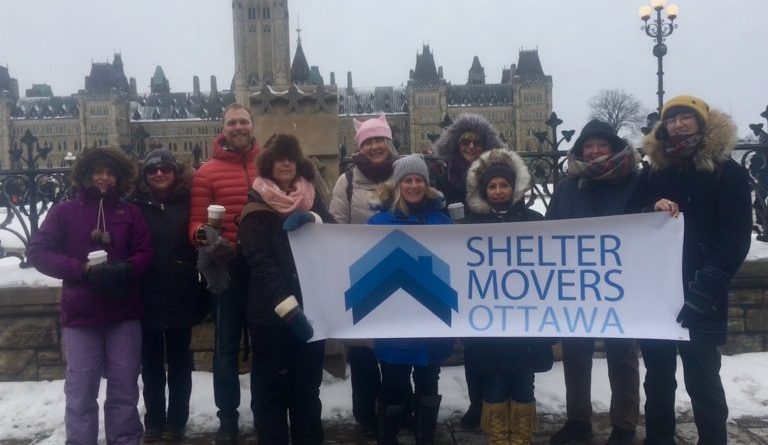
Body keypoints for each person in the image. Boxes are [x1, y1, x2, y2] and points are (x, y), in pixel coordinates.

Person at [634, 95, 752, 444]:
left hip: (702, 290)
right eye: (672, 119)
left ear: (702, 123)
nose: (678, 124)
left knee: (702, 379)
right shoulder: (654, 172)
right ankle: (659, 438)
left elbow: (735, 238)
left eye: (686, 117)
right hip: (659, 293)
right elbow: (630, 218)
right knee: (657, 378)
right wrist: (648, 208)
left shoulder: (726, 172)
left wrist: (707, 287)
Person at [28, 146, 153, 445]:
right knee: (81, 390)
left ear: (119, 178)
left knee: (124, 389)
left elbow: (146, 252)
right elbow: (38, 252)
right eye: (98, 171)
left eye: (110, 173)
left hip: (123, 314)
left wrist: (125, 270)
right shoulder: (65, 212)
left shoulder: (130, 213)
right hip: (81, 315)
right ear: (85, 175)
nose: (104, 178)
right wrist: (81, 269)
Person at [546, 120, 643, 445]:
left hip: (621, 282)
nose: (595, 150)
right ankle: (578, 420)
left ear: (613, 148)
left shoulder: (636, 182)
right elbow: (551, 233)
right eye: (589, 145)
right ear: (580, 150)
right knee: (575, 354)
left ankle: (625, 424)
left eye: (602, 144)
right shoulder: (567, 188)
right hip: (577, 283)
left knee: (622, 354)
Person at [238, 134, 333, 445]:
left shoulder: (311, 197)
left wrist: (314, 218)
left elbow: (335, 233)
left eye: (291, 158)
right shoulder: (256, 205)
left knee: (307, 390)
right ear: (269, 164)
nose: (286, 164)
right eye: (279, 158)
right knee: (272, 393)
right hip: (271, 315)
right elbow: (258, 260)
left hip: (311, 308)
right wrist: (288, 308)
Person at [464, 148, 553, 445]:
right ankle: (499, 438)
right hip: (489, 325)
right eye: (493, 186)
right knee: (495, 381)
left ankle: (522, 437)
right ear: (484, 190)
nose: (499, 191)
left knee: (524, 382)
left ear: (514, 188)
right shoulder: (469, 226)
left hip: (527, 323)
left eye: (504, 185)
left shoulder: (535, 221)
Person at [367, 154, 454, 445]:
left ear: (427, 185)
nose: (414, 185)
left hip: (431, 321)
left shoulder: (443, 224)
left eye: (419, 180)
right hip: (395, 323)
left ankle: (424, 435)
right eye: (408, 180)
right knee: (393, 383)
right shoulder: (378, 223)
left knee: (429, 382)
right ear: (398, 184)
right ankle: (387, 437)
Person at [189, 103, 260, 443]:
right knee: (225, 348)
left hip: (262, 268)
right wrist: (209, 240)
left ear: (252, 125)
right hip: (225, 269)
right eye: (232, 122)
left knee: (266, 345)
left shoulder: (268, 164)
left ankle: (265, 410)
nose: (238, 127)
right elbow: (194, 226)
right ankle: (228, 418)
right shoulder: (207, 172)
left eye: (243, 121)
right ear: (223, 127)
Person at [130, 147, 208, 443]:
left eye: (165, 169)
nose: (159, 174)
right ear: (144, 175)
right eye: (152, 170)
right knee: (150, 366)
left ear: (176, 173)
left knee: (179, 364)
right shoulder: (133, 205)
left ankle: (176, 421)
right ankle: (153, 422)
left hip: (181, 293)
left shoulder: (188, 202)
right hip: (145, 295)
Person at [432, 112, 504, 429]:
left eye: (476, 141)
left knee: (494, 337)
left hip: (492, 264)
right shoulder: (443, 177)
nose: (470, 146)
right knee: (473, 340)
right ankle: (478, 403)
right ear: (455, 144)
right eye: (465, 141)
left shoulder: (498, 174)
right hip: (457, 263)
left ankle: (495, 400)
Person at [328, 113, 397, 436]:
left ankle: (397, 407)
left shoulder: (404, 175)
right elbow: (337, 224)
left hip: (401, 272)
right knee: (364, 349)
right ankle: (366, 414)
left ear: (389, 142)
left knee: (398, 347)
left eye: (379, 140)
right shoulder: (348, 181)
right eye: (368, 141)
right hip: (363, 275)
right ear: (360, 146)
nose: (375, 146)